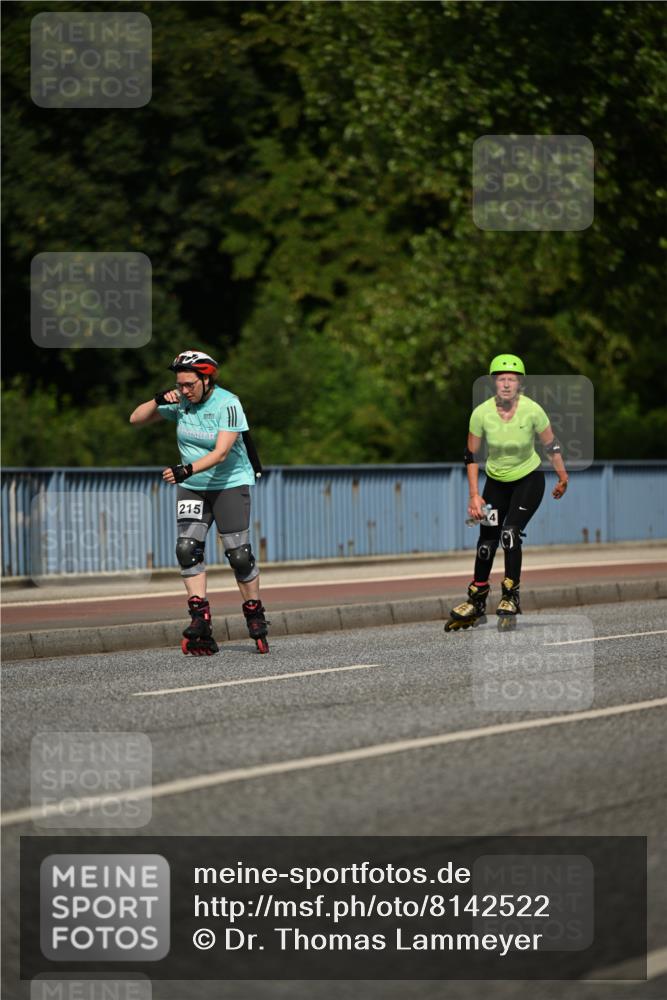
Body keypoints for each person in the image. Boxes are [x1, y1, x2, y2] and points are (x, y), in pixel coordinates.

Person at [129, 350, 270, 654]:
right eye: (179, 384)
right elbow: (135, 419)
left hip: (229, 484)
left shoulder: (228, 404)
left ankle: (254, 613)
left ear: (206, 380)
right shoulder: (180, 403)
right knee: (187, 549)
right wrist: (158, 399)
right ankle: (200, 621)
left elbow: (221, 453)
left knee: (239, 555)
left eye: (189, 384)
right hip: (193, 487)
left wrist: (185, 469)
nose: (184, 390)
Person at [444, 353, 569, 632]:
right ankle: (476, 600)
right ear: (493, 382)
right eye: (501, 379)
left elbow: (552, 446)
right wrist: (474, 495)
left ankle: (511, 596)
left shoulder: (533, 410)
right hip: (495, 485)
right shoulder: (481, 414)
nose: (506, 384)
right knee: (487, 541)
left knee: (509, 533)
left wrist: (562, 476)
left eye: (512, 379)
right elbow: (470, 455)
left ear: (520, 383)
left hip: (529, 480)